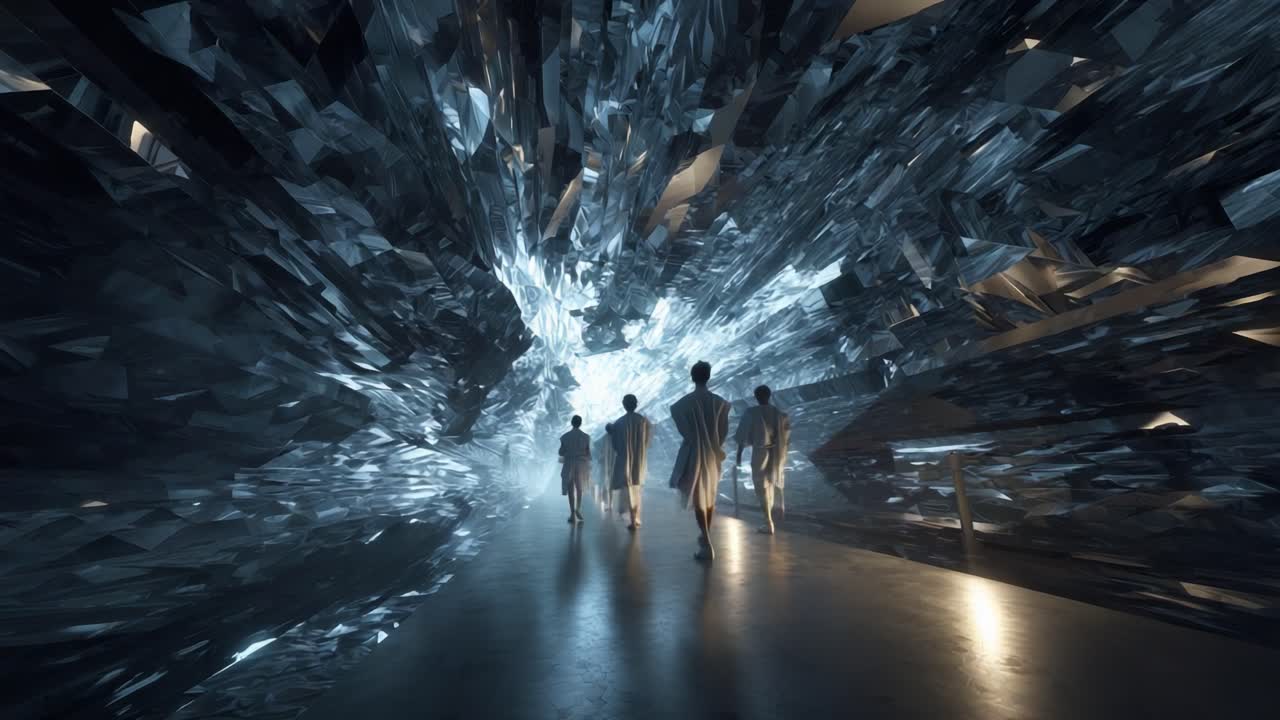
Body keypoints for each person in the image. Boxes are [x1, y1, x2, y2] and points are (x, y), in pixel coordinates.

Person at [669, 361, 731, 561]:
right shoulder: (720, 403)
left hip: (693, 456)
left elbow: (684, 432)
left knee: (698, 499)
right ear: (709, 376)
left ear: (692, 377)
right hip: (712, 455)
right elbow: (723, 432)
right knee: (709, 496)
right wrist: (714, 445)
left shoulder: (681, 405)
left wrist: (695, 439)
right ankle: (706, 537)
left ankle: (706, 541)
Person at [735, 385, 791, 535]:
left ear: (756, 397)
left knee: (761, 486)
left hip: (760, 451)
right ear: (769, 395)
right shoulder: (780, 414)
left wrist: (739, 455)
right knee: (776, 479)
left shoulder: (751, 412)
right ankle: (780, 505)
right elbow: (786, 437)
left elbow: (742, 435)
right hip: (778, 452)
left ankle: (768, 521)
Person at [610, 394, 653, 530]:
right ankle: (636, 517)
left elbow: (615, 446)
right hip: (639, 459)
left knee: (628, 489)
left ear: (624, 405)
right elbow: (647, 442)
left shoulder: (618, 423)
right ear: (636, 404)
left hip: (624, 460)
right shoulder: (644, 421)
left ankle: (632, 520)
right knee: (637, 488)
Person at [558, 415, 591, 524]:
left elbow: (561, 452)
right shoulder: (586, 437)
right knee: (579, 488)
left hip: (569, 463)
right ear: (580, 423)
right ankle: (578, 509)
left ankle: (572, 513)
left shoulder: (565, 437)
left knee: (570, 488)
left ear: (572, 423)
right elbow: (588, 453)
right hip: (581, 465)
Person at [595, 424, 616, 510]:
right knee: (609, 484)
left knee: (605, 482)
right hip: (612, 463)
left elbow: (596, 445)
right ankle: (609, 503)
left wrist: (601, 456)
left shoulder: (604, 437)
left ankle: (607, 502)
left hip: (606, 464)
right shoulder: (615, 437)